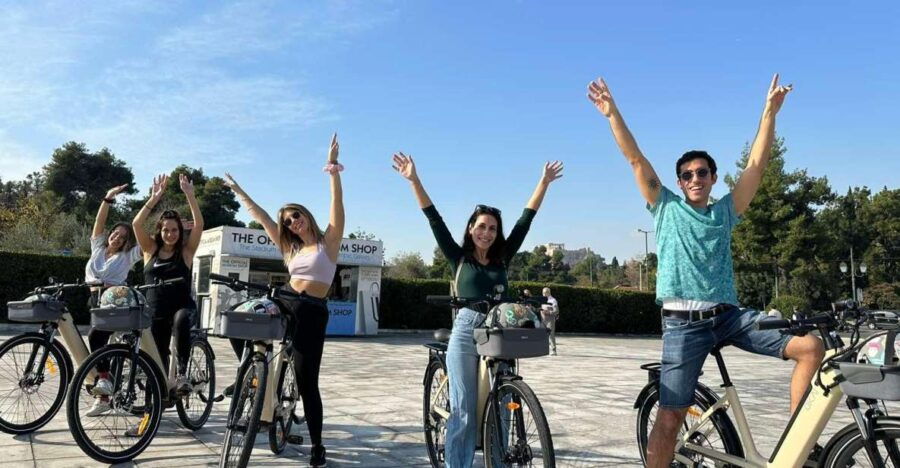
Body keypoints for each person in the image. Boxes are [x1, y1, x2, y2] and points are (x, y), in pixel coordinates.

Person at [587, 73, 823, 467]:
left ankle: (799, 447)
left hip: (729, 317)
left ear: (713, 179)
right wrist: (613, 114)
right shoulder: (665, 207)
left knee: (811, 346)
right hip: (683, 325)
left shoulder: (725, 212)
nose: (694, 178)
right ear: (679, 182)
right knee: (670, 416)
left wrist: (769, 113)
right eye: (687, 174)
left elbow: (756, 167)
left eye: (702, 173)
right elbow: (635, 158)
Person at [392, 151, 562, 468]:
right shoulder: (459, 258)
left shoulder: (503, 258)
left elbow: (526, 220)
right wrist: (414, 179)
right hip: (467, 328)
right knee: (465, 411)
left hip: (500, 329)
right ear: (471, 228)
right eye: (481, 226)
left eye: (493, 228)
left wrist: (543, 182)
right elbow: (434, 219)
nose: (487, 232)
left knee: (504, 405)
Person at [223, 133, 344, 467]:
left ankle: (317, 444)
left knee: (307, 380)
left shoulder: (327, 243)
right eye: (288, 220)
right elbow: (261, 215)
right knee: (237, 321)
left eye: (296, 215)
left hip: (312, 310)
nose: (293, 221)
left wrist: (332, 167)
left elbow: (337, 206)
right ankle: (252, 373)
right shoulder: (289, 247)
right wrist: (239, 191)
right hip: (284, 299)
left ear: (306, 215)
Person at [131, 173, 205, 404]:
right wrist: (154, 198)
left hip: (181, 307)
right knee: (157, 357)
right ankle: (159, 401)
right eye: (166, 230)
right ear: (160, 231)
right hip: (155, 311)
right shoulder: (149, 250)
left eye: (174, 230)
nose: (170, 234)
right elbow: (136, 224)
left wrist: (190, 196)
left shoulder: (185, 252)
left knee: (182, 320)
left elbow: (200, 224)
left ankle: (182, 373)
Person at [83, 184, 143, 416]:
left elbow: (146, 243)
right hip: (93, 299)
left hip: (114, 302)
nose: (117, 237)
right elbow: (99, 224)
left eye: (123, 236)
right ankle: (103, 390)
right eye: (115, 233)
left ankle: (106, 383)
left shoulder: (127, 256)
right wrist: (108, 199)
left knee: (96, 336)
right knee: (98, 345)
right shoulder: (97, 247)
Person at [540, 287, 559, 355]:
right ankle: (543, 349)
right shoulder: (542, 300)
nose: (543, 294)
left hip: (550, 320)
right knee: (542, 335)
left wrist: (549, 312)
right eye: (543, 293)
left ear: (549, 292)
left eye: (545, 293)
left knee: (551, 335)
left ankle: (554, 350)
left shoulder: (553, 300)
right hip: (543, 319)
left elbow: (556, 311)